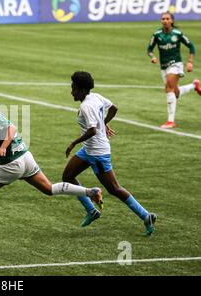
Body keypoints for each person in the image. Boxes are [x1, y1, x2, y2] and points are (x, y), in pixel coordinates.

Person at [0, 93, 104, 233]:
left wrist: (3, 148)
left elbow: (11, 129)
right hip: (26, 157)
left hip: (11, 164)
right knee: (49, 189)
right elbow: (0, 130)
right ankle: (91, 191)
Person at [62, 71, 157, 236]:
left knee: (114, 188)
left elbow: (92, 130)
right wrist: (103, 123)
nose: (71, 92)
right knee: (68, 176)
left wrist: (73, 143)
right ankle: (91, 211)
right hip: (89, 149)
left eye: (74, 88)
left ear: (82, 89)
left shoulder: (86, 106)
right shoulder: (96, 97)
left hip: (97, 153)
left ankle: (145, 215)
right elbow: (113, 109)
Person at [147, 11, 200, 129]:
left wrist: (190, 62)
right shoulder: (157, 35)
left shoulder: (178, 33)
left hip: (176, 64)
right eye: (163, 19)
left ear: (172, 21)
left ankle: (171, 121)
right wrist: (153, 57)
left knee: (169, 88)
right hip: (164, 66)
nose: (165, 21)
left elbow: (191, 47)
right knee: (175, 92)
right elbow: (149, 49)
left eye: (167, 19)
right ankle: (194, 85)